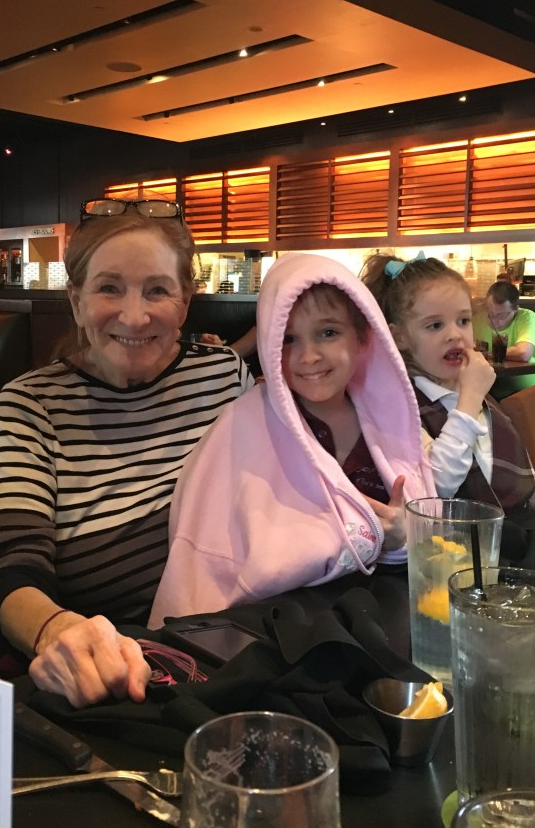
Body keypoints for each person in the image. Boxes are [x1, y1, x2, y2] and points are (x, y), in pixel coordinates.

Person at [0, 197, 254, 707]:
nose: (134, 315)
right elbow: (8, 570)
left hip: (239, 661)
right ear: (76, 300)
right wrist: (56, 630)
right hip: (114, 685)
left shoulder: (225, 378)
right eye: (109, 288)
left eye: (157, 290)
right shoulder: (30, 404)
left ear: (184, 303)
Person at [149, 252, 434, 626]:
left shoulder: (388, 423)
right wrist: (370, 539)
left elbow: (427, 541)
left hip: (380, 620)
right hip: (273, 626)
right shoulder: (242, 427)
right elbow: (210, 560)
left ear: (364, 336)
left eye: (328, 333)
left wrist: (400, 539)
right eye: (287, 339)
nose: (308, 356)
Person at [361, 254, 535, 514]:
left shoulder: (483, 401)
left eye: (463, 320)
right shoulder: (403, 407)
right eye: (435, 325)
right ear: (399, 336)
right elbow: (436, 489)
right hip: (455, 537)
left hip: (511, 529)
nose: (455, 335)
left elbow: (513, 493)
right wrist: (469, 399)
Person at [472, 280, 535, 398]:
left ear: (516, 309)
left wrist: (488, 354)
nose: (495, 319)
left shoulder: (528, 318)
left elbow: (523, 353)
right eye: (490, 312)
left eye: (502, 315)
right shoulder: (478, 320)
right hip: (497, 394)